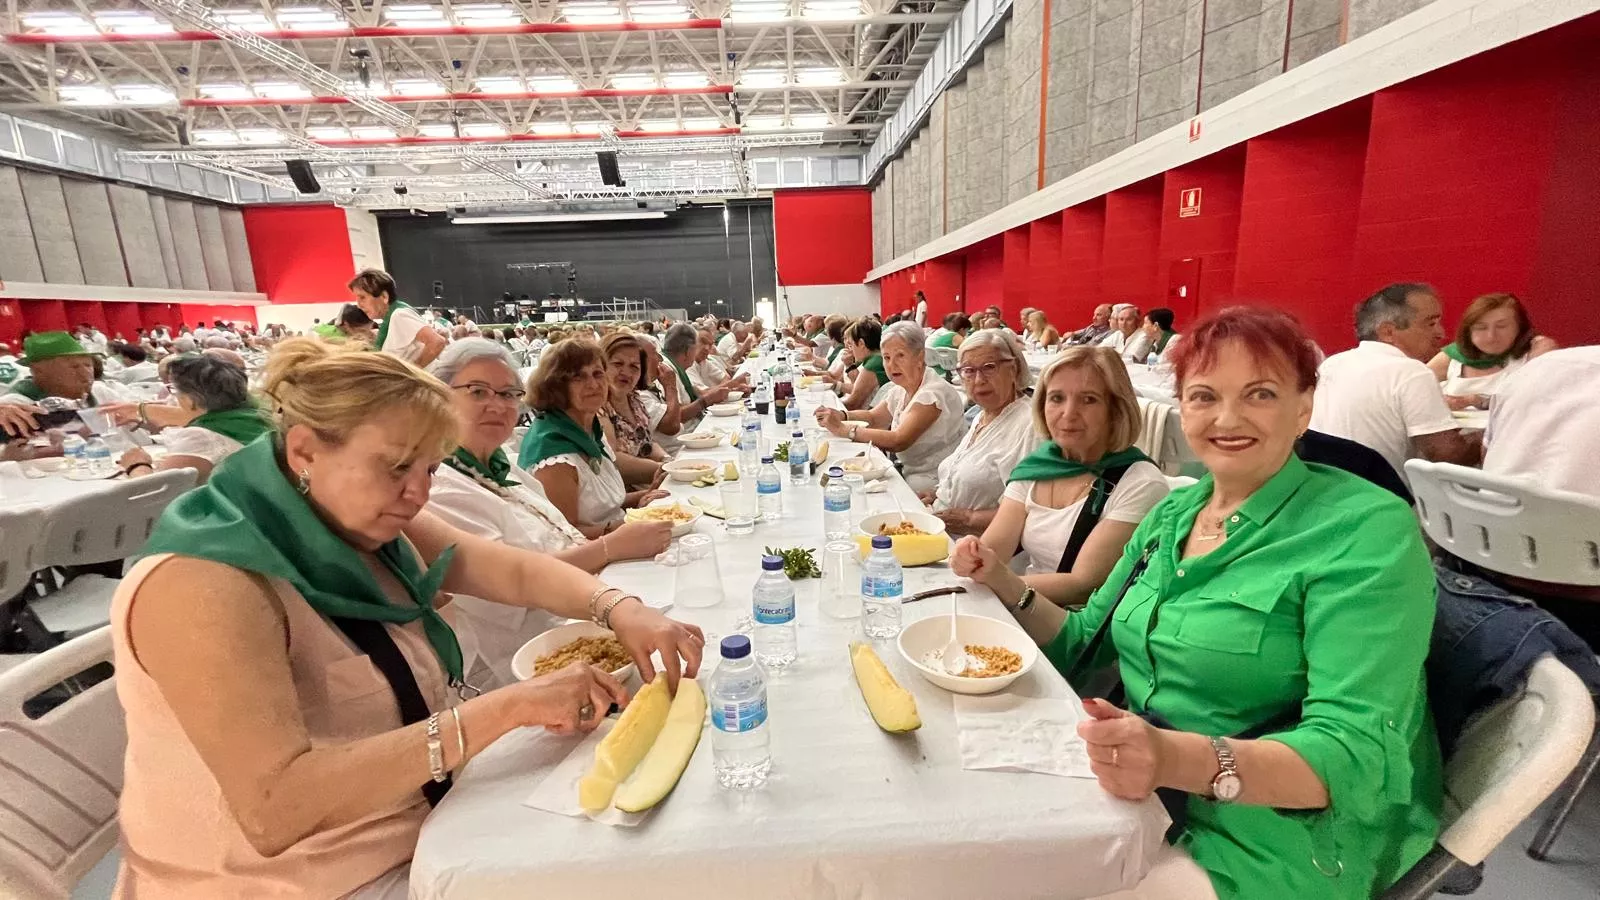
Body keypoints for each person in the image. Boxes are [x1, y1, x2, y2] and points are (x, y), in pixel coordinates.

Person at [110, 336, 704, 897]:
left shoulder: (345, 512)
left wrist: (619, 607)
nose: (418, 493)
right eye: (397, 467)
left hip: (426, 824)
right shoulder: (202, 584)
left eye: (428, 469)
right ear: (303, 451)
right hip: (313, 880)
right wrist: (509, 706)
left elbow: (512, 569)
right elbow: (275, 807)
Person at [983, 306, 1442, 899]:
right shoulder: (1176, 513)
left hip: (1272, 841)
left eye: (1259, 394)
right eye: (1204, 396)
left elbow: (1354, 758)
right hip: (1147, 790)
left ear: (1304, 408)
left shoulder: (1364, 530)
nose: (1227, 419)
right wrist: (1000, 580)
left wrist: (1173, 759)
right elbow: (1081, 643)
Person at [424, 338, 673, 688]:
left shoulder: (505, 466)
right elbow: (513, 588)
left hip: (592, 604)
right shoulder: (440, 491)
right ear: (440, 396)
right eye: (478, 392)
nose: (497, 404)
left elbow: (560, 534)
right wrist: (612, 545)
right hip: (539, 661)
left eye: (509, 393)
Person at [951, 346, 1168, 607]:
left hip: (1076, 629)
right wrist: (972, 555)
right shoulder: (1039, 466)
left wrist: (996, 578)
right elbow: (994, 549)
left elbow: (1082, 586)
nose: (1068, 414)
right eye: (1056, 398)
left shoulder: (1140, 483)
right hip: (1020, 607)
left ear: (1116, 409)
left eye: (1088, 399)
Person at [1310, 283, 1479, 478]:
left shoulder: (1333, 364)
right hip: (1385, 498)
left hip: (1329, 490)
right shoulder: (1412, 372)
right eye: (1430, 324)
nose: (1441, 333)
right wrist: (1490, 436)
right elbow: (1447, 455)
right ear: (1388, 332)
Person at [519, 339, 669, 536]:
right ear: (555, 386)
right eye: (578, 377)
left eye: (598, 374)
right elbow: (565, 534)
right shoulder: (554, 455)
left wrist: (646, 496)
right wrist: (624, 525)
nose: (593, 384)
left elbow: (603, 505)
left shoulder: (588, 430)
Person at [814, 322, 966, 494]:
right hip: (908, 473)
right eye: (886, 357)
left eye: (900, 355)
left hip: (934, 482)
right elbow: (874, 418)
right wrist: (841, 415)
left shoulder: (932, 393)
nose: (891, 364)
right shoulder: (901, 388)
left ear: (920, 357)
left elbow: (898, 440)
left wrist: (844, 429)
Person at [926, 330, 1040, 535]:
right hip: (944, 533)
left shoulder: (1030, 425)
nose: (978, 380)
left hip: (983, 549)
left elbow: (1032, 510)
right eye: (968, 370)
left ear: (1013, 369)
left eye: (989, 368)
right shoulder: (982, 414)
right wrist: (937, 495)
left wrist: (971, 520)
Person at [112, 355, 268, 483]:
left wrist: (137, 465)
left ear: (190, 400)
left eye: (174, 389)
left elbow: (154, 494)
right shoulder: (257, 416)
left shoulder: (201, 436)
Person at [1425, 292, 1558, 409]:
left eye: (1501, 326)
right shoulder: (1452, 356)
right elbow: (1410, 390)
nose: (1491, 336)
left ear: (1520, 327)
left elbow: (1540, 398)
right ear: (1468, 331)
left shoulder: (1538, 349)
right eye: (1481, 328)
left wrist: (1477, 400)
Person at [0, 331, 133, 437]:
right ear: (38, 371)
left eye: (88, 365)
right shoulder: (15, 407)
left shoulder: (101, 392)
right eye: (74, 367)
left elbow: (140, 422)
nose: (85, 372)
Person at [598, 332, 667, 486]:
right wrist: (664, 470)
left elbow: (646, 443)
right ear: (601, 365)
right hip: (624, 496)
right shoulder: (598, 407)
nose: (626, 373)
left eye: (634, 367)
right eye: (618, 364)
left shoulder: (634, 399)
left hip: (649, 483)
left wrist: (667, 460)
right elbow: (614, 460)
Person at [349, 268, 446, 367]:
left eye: (362, 297)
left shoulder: (399, 315)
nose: (359, 305)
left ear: (384, 296)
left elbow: (437, 342)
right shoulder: (391, 319)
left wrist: (413, 372)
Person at [838, 317, 888, 410]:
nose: (851, 349)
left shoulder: (874, 363)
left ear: (861, 343)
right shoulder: (875, 358)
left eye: (851, 344)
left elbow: (853, 404)